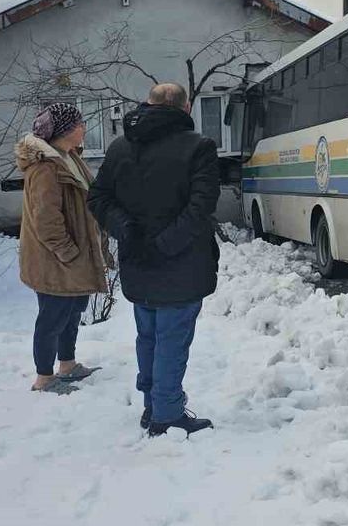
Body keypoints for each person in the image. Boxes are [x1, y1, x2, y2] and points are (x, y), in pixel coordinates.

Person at [90, 83, 219, 437]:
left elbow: (98, 198)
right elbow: (201, 206)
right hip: (181, 262)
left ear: (147, 103)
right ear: (186, 108)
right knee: (171, 342)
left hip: (138, 261)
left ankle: (153, 405)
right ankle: (167, 414)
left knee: (148, 338)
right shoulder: (200, 147)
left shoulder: (119, 147)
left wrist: (125, 229)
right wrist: (164, 243)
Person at [16, 102, 107, 394]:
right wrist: (68, 252)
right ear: (66, 130)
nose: (84, 128)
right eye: (79, 124)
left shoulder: (69, 157)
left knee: (72, 312)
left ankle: (67, 365)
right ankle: (44, 378)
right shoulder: (46, 168)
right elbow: (46, 220)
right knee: (52, 317)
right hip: (55, 259)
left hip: (74, 256)